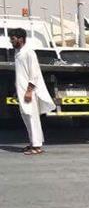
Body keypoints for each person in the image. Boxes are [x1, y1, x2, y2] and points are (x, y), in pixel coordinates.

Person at [10, 27, 55, 155]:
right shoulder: (18, 53)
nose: (11, 42)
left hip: (29, 92)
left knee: (32, 118)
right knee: (26, 117)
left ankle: (37, 146)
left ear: (21, 39)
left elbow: (34, 74)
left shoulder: (29, 53)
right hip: (21, 91)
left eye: (13, 39)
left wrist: (29, 91)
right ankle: (32, 143)